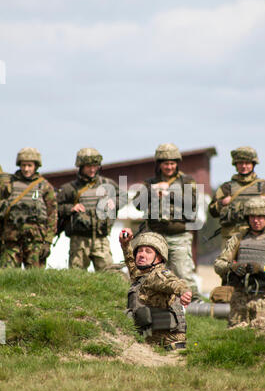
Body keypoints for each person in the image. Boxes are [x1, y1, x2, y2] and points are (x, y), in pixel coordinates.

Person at [132, 143, 200, 299]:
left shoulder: (186, 181)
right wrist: (153, 191)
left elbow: (193, 202)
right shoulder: (150, 183)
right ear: (159, 164)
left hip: (179, 235)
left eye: (172, 163)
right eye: (165, 163)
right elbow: (137, 204)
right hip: (155, 236)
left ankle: (194, 302)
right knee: (152, 271)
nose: (169, 166)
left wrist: (169, 193)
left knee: (183, 272)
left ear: (177, 164)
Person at [214, 196, 265, 328]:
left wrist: (263, 269)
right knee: (235, 340)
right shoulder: (237, 239)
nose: (256, 221)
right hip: (239, 300)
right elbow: (218, 265)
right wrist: (232, 267)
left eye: (260, 217)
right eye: (252, 217)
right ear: (247, 218)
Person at [119, 228, 192, 350]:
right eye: (139, 251)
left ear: (158, 258)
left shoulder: (158, 275)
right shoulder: (142, 274)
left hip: (168, 348)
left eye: (148, 252)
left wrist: (184, 292)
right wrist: (125, 245)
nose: (142, 255)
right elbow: (131, 264)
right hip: (154, 344)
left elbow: (173, 282)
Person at [57, 148, 125, 271]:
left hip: (101, 239)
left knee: (109, 275)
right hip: (79, 241)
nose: (92, 170)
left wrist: (114, 201)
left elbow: (124, 197)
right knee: (76, 276)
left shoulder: (108, 183)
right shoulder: (69, 188)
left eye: (95, 166)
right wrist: (71, 208)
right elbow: (55, 208)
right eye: (89, 166)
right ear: (81, 166)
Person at [209, 146, 265, 248]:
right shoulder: (226, 188)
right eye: (240, 163)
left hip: (259, 238)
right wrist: (222, 203)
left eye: (247, 163)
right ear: (236, 165)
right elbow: (212, 211)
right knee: (225, 264)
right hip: (231, 238)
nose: (244, 166)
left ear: (253, 164)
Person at [0, 147, 57, 268]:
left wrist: (48, 242)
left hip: (35, 241)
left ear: (36, 166)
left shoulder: (44, 186)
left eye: (29, 165)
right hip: (12, 240)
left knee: (35, 279)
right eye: (24, 165)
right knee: (6, 277)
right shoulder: (9, 184)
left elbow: (52, 215)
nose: (26, 169)